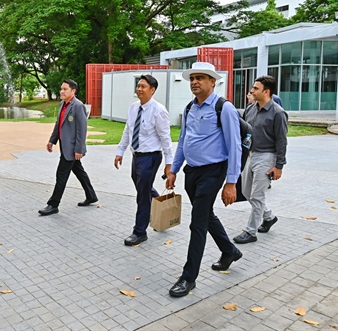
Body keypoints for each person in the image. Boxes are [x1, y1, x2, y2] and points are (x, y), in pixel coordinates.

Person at [165, 62, 242, 298]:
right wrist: (173, 169)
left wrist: (231, 182)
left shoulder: (223, 108)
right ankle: (229, 250)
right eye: (192, 78)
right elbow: (184, 140)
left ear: (213, 81)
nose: (195, 82)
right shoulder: (190, 108)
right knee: (206, 215)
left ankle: (189, 278)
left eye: (201, 78)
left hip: (213, 172)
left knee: (197, 222)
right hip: (192, 172)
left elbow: (235, 146)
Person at [115, 74, 173, 246]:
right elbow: (128, 131)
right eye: (138, 86)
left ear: (152, 90)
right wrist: (120, 151)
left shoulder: (159, 111)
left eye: (143, 86)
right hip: (137, 156)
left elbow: (166, 139)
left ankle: (140, 232)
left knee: (142, 194)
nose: (139, 89)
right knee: (144, 189)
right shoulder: (133, 108)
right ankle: (161, 210)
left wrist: (169, 165)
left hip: (151, 157)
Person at [233, 75, 288, 244]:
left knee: (257, 195)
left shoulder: (278, 113)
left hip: (267, 156)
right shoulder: (251, 108)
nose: (252, 91)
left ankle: (251, 232)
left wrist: (279, 166)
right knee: (246, 192)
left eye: (256, 88)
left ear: (266, 91)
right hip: (250, 154)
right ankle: (269, 217)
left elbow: (281, 140)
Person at [38, 79, 98, 216]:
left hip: (72, 149)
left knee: (61, 175)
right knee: (79, 171)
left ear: (73, 91)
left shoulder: (78, 106)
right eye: (61, 89)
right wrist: (52, 140)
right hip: (64, 146)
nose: (62, 91)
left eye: (65, 89)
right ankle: (91, 195)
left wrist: (79, 149)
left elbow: (81, 130)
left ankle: (53, 205)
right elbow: (58, 124)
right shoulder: (62, 104)